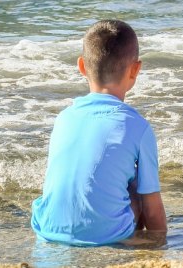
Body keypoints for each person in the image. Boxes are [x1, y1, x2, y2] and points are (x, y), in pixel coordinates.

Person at [31, 19, 167, 246]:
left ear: (82, 66)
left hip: (48, 230)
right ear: (135, 70)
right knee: (136, 184)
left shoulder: (63, 117)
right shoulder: (138, 127)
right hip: (109, 237)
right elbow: (153, 209)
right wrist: (161, 246)